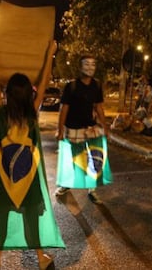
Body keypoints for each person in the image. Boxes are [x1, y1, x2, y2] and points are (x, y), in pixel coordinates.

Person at [0, 40, 65, 270]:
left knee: (4, 217)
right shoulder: (31, 114)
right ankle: (40, 258)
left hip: (4, 179)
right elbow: (45, 81)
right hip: (28, 179)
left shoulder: (1, 112)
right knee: (31, 218)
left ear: (8, 94)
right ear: (29, 93)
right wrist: (50, 54)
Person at [54, 54, 112, 205]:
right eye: (86, 64)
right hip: (73, 129)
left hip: (91, 128)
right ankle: (66, 185)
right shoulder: (71, 86)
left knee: (95, 159)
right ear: (80, 67)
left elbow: (99, 107)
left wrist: (105, 126)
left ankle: (92, 190)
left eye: (93, 64)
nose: (90, 68)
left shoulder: (97, 85)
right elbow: (64, 109)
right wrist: (60, 130)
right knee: (73, 160)